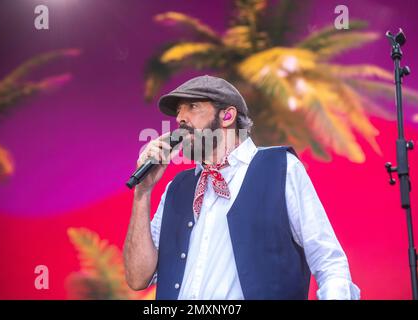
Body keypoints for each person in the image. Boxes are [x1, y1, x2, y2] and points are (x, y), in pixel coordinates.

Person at [123, 75, 360, 300]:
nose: (181, 118)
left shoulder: (280, 168)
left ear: (227, 116)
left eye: (193, 107)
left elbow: (328, 261)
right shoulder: (177, 187)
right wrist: (142, 193)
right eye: (178, 111)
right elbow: (137, 278)